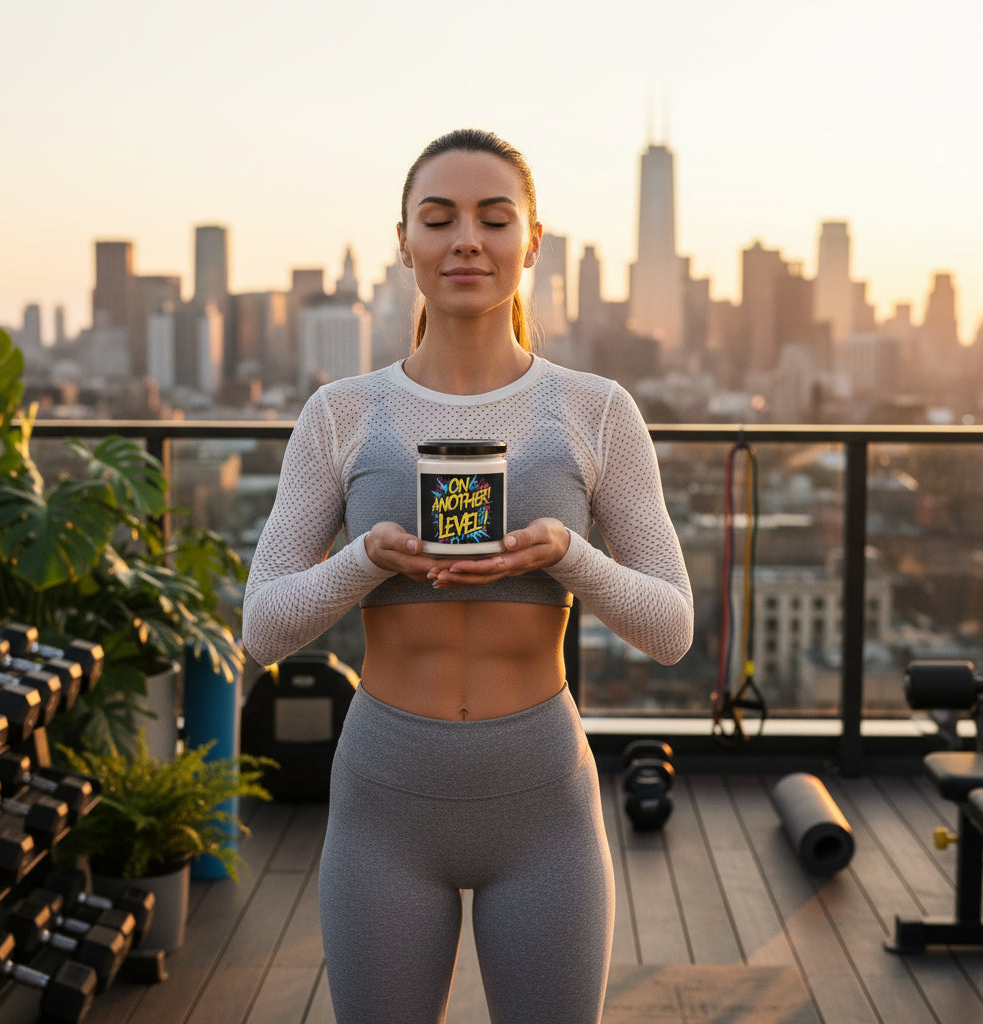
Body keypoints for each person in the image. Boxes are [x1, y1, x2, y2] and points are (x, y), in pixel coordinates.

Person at [242, 128, 693, 1024]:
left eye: (494, 219)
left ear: (532, 241)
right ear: (403, 240)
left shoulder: (597, 410)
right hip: (383, 800)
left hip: (542, 803)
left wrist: (569, 555)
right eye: (438, 219)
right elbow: (262, 626)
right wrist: (363, 561)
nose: (466, 242)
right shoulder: (341, 414)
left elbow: (671, 627)